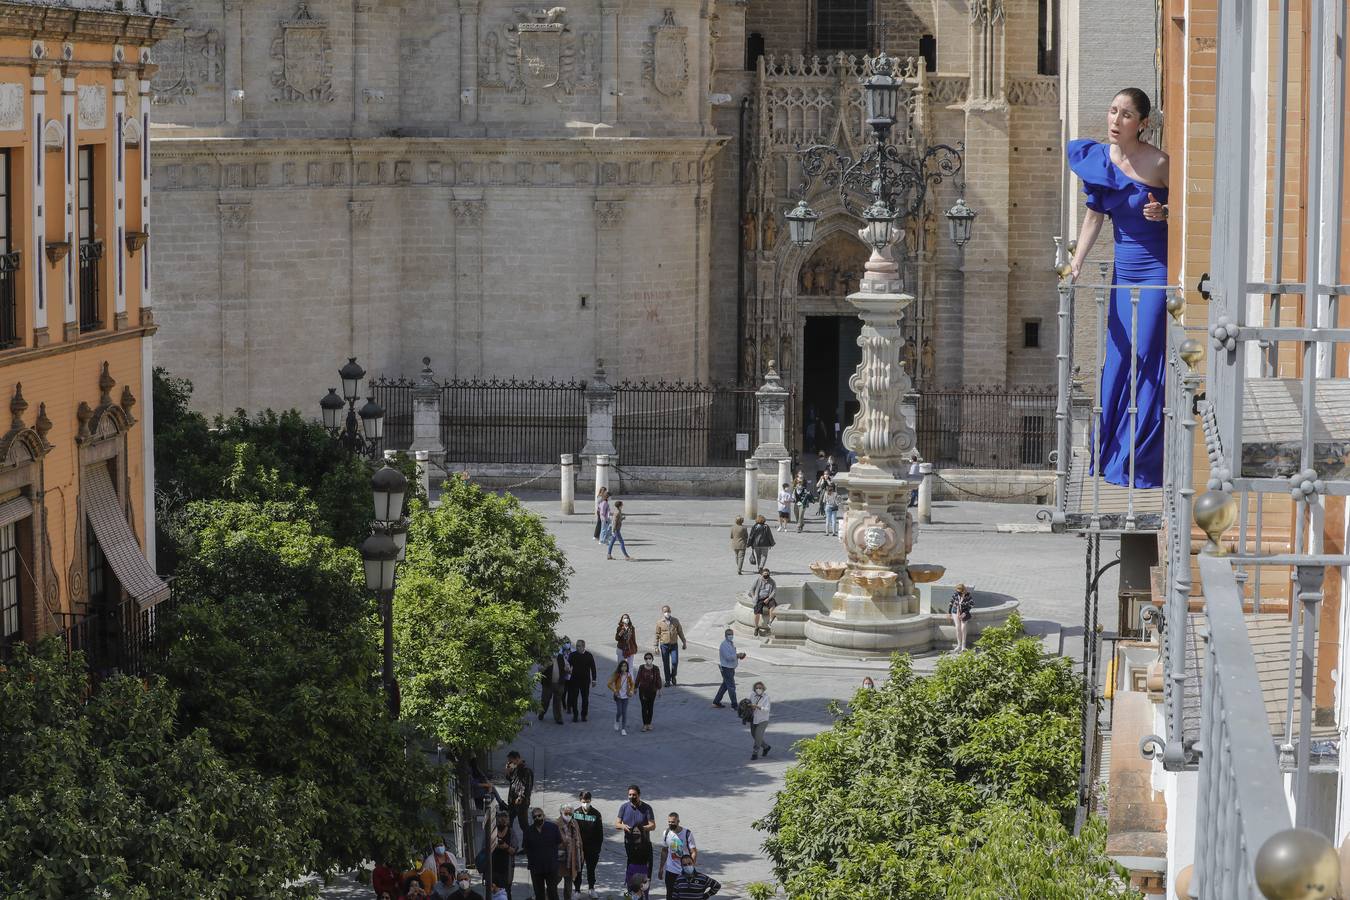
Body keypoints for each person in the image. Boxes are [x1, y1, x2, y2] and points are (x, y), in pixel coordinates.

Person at [1068, 88, 1169, 489]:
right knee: (1118, 357)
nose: (1115, 120)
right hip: (1122, 274)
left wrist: (1165, 212)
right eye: (1112, 111)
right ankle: (1109, 454)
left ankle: (1138, 460)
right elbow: (1094, 219)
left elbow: (1192, 213)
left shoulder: (1161, 162)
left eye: (1126, 114)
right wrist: (1075, 265)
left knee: (1145, 354)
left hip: (1157, 270)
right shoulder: (1099, 161)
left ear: (1142, 123)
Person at [616, 785, 657, 896]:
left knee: (646, 871)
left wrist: (641, 828)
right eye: (630, 795)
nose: (632, 797)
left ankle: (644, 894)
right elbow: (617, 824)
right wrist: (623, 827)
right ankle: (632, 893)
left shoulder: (647, 808)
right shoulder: (624, 807)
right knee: (632, 870)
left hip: (644, 845)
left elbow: (653, 826)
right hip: (630, 845)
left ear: (639, 795)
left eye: (634, 795)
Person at [521, 807, 563, 900]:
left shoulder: (553, 828)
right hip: (536, 868)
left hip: (551, 867)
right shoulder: (528, 831)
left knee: (552, 893)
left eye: (539, 815)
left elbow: (559, 843)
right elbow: (526, 847)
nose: (537, 818)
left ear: (543, 816)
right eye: (534, 817)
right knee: (539, 894)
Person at [572, 791, 604, 898]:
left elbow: (600, 833)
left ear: (590, 800)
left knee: (591, 869)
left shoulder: (596, 814)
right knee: (578, 869)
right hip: (579, 848)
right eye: (583, 801)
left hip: (592, 848)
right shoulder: (575, 813)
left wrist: (597, 848)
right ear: (580, 801)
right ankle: (577, 890)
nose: (585, 803)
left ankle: (591, 888)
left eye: (588, 801)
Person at [658, 813, 697, 900]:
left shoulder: (687, 833)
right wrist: (661, 868)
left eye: (673, 822)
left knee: (684, 895)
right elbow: (664, 851)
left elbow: (693, 851)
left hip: (684, 871)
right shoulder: (666, 833)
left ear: (678, 821)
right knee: (670, 894)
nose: (671, 824)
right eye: (669, 822)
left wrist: (691, 867)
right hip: (670, 870)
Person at [653, 605, 687, 686]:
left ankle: (673, 676)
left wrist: (684, 642)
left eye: (668, 611)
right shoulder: (659, 623)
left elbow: (680, 632)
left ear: (670, 611)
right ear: (663, 613)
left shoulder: (675, 621)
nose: (667, 613)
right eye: (665, 612)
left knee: (675, 662)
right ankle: (667, 680)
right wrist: (656, 646)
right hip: (664, 645)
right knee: (666, 664)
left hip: (674, 645)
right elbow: (657, 634)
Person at [711, 629, 745, 708]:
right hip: (726, 668)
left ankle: (716, 702)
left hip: (731, 667)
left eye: (731, 634)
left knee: (725, 685)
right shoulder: (724, 645)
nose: (731, 636)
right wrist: (737, 655)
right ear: (725, 636)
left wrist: (739, 656)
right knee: (731, 687)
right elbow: (728, 657)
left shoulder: (730, 643)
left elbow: (732, 655)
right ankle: (734, 705)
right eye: (729, 634)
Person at [555, 803, 583, 900]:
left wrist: (581, 854)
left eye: (570, 813)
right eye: (566, 813)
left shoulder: (574, 823)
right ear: (561, 812)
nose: (568, 816)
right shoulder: (556, 824)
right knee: (554, 882)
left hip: (572, 859)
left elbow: (579, 838)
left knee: (568, 886)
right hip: (560, 860)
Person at [566, 639, 597, 722]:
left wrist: (594, 680)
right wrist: (568, 669)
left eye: (579, 646)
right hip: (575, 680)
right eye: (576, 646)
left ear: (583, 647)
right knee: (574, 698)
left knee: (585, 699)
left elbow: (593, 668)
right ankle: (575, 715)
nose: (577, 647)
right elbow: (568, 665)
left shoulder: (589, 655)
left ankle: (584, 715)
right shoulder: (572, 655)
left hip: (585, 681)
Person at [537, 645, 569, 725]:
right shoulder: (546, 658)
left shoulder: (561, 658)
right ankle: (541, 713)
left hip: (559, 683)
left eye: (557, 650)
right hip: (548, 684)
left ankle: (558, 718)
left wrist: (567, 668)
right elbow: (540, 669)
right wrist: (546, 665)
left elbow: (567, 665)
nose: (555, 653)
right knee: (545, 701)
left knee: (557, 702)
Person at [506, 751, 534, 837]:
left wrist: (520, 797)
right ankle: (509, 839)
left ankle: (528, 841)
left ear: (517, 759)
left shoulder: (526, 770)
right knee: (508, 822)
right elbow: (511, 780)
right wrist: (508, 771)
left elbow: (526, 786)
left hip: (521, 802)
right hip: (512, 800)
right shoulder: (515, 767)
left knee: (523, 824)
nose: (510, 763)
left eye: (511, 761)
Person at [635, 652, 662, 732]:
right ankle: (645, 724)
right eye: (646, 658)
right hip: (643, 691)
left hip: (652, 691)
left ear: (652, 659)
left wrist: (659, 690)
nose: (648, 660)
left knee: (650, 707)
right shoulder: (641, 667)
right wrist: (635, 687)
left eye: (649, 658)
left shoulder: (656, 668)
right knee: (644, 708)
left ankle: (649, 723)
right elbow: (638, 677)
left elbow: (658, 679)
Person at [608, 660, 635, 735]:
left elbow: (632, 684)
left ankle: (623, 729)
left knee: (624, 713)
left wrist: (631, 691)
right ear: (620, 667)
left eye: (625, 666)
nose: (624, 667)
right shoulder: (617, 675)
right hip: (619, 696)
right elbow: (609, 683)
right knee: (619, 711)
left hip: (626, 696)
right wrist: (615, 690)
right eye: (622, 666)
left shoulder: (628, 675)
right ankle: (617, 720)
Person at [749, 569, 777, 637]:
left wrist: (768, 598)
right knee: (757, 612)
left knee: (772, 605)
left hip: (768, 597)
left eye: (767, 574)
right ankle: (756, 627)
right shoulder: (758, 580)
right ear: (762, 574)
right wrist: (753, 597)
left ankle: (770, 621)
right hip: (759, 598)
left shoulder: (772, 581)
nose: (766, 575)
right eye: (764, 574)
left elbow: (774, 591)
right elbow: (752, 589)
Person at [748, 681, 772, 760]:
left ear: (763, 689)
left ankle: (755, 753)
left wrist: (758, 707)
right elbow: (749, 703)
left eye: (760, 688)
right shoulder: (752, 695)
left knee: (758, 736)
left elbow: (767, 709)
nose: (758, 689)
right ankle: (766, 747)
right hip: (753, 719)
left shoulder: (766, 697)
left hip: (762, 720)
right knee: (754, 735)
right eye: (756, 688)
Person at [950, 583, 975, 651]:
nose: (958, 593)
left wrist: (965, 613)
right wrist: (949, 613)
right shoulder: (956, 594)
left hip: (964, 613)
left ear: (963, 590)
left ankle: (963, 646)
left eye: (960, 591)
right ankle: (959, 645)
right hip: (955, 612)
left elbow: (972, 604)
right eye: (957, 591)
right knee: (957, 627)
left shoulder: (968, 595)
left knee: (963, 628)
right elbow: (951, 603)